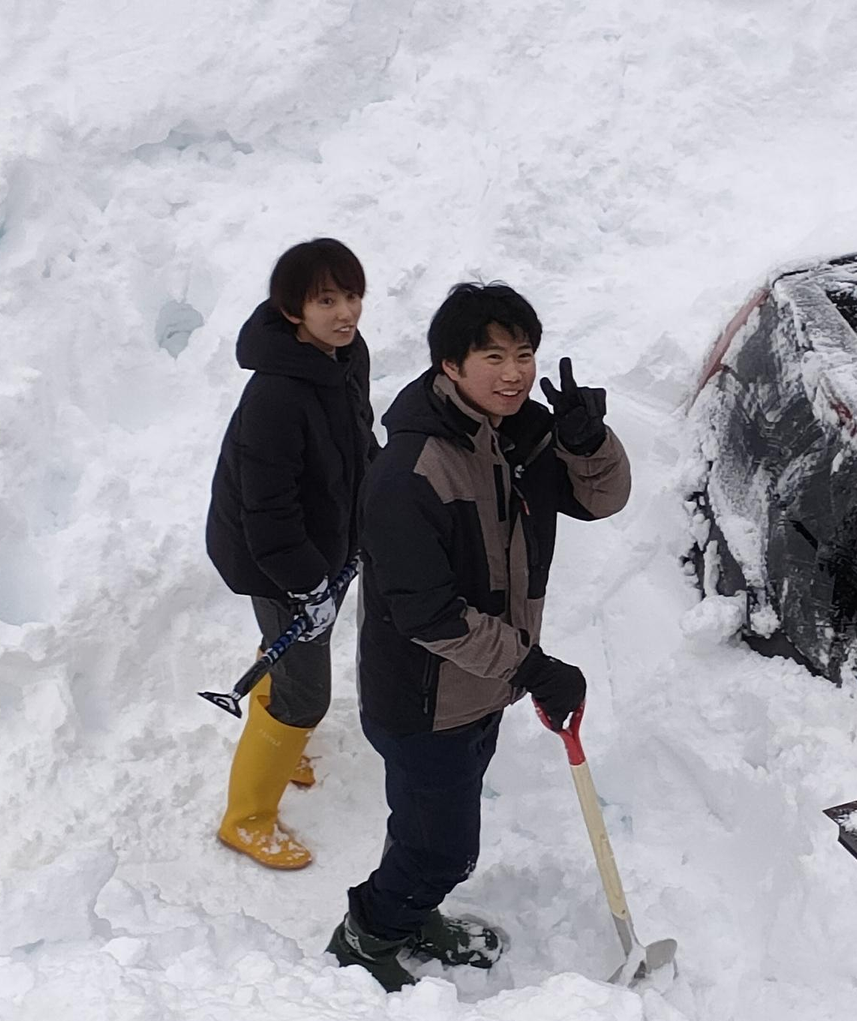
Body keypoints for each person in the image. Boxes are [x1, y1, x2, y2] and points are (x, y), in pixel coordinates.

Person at [325, 282, 631, 989]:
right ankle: (367, 939)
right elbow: (428, 613)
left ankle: (410, 911)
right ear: (450, 365)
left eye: (523, 354)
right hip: (423, 698)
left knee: (426, 829)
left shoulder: (522, 437)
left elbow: (601, 499)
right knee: (442, 849)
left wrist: (588, 443)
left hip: (482, 686)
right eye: (492, 356)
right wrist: (533, 667)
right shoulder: (411, 472)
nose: (514, 373)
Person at [205, 238, 378, 869]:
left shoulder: (346, 356)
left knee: (295, 663)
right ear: (291, 310)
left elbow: (356, 440)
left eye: (351, 296)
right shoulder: (274, 397)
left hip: (319, 543)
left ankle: (280, 730)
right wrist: (307, 587)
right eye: (326, 301)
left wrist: (380, 495)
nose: (345, 313)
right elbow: (268, 513)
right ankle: (246, 819)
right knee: (307, 694)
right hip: (274, 558)